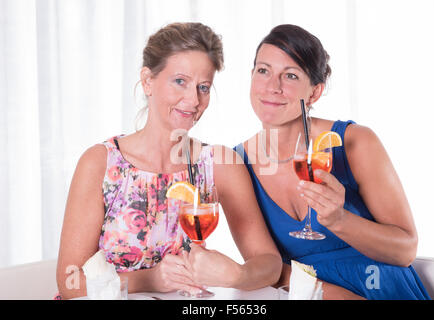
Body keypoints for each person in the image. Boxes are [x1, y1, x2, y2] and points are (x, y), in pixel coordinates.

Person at [56, 22, 282, 299]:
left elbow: (269, 264)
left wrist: (237, 274)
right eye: (180, 81)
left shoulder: (219, 163)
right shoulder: (101, 163)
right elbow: (69, 282)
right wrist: (149, 279)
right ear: (148, 81)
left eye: (203, 87)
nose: (193, 99)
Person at [234, 24, 430, 300]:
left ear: (314, 93)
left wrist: (339, 220)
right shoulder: (235, 165)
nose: (271, 87)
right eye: (263, 70)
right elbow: (270, 271)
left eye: (290, 75)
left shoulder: (353, 142)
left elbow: (405, 250)